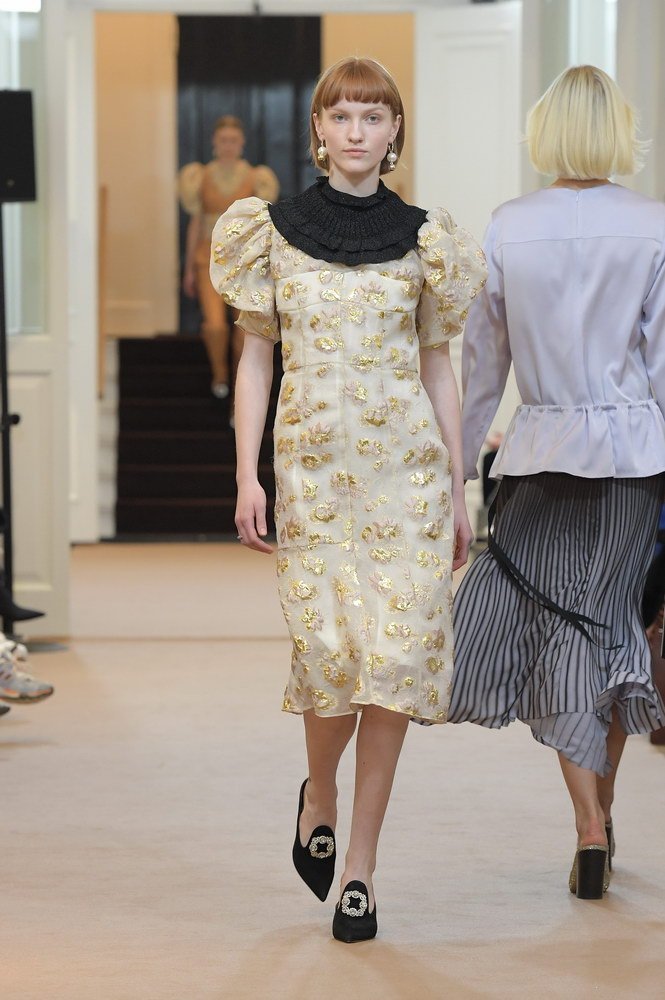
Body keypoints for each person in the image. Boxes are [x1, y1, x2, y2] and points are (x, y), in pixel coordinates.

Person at [210, 57, 486, 941]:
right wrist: (247, 472)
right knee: (329, 657)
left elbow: (438, 365)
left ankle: (359, 869)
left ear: (394, 131)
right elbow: (257, 358)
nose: (357, 130)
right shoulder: (271, 231)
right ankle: (318, 795)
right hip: (314, 478)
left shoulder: (425, 238)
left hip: (408, 480)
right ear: (319, 130)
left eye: (373, 115)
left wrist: (458, 487)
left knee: (394, 663)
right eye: (342, 115)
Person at [448, 65, 665, 900]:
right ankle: (602, 810)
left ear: (544, 131)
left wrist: (458, 467)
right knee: (609, 624)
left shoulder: (508, 225)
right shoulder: (651, 224)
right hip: (631, 460)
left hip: (538, 451)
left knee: (556, 625)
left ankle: (586, 824)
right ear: (616, 131)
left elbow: (482, 366)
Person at [179, 115, 279, 405]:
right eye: (223, 140)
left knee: (243, 330)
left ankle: (240, 392)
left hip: (244, 261)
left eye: (233, 140)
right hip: (207, 257)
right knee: (214, 325)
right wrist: (188, 268)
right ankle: (220, 374)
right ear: (215, 141)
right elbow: (195, 223)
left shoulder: (256, 177)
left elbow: (263, 225)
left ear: (242, 142)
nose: (228, 145)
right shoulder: (199, 177)